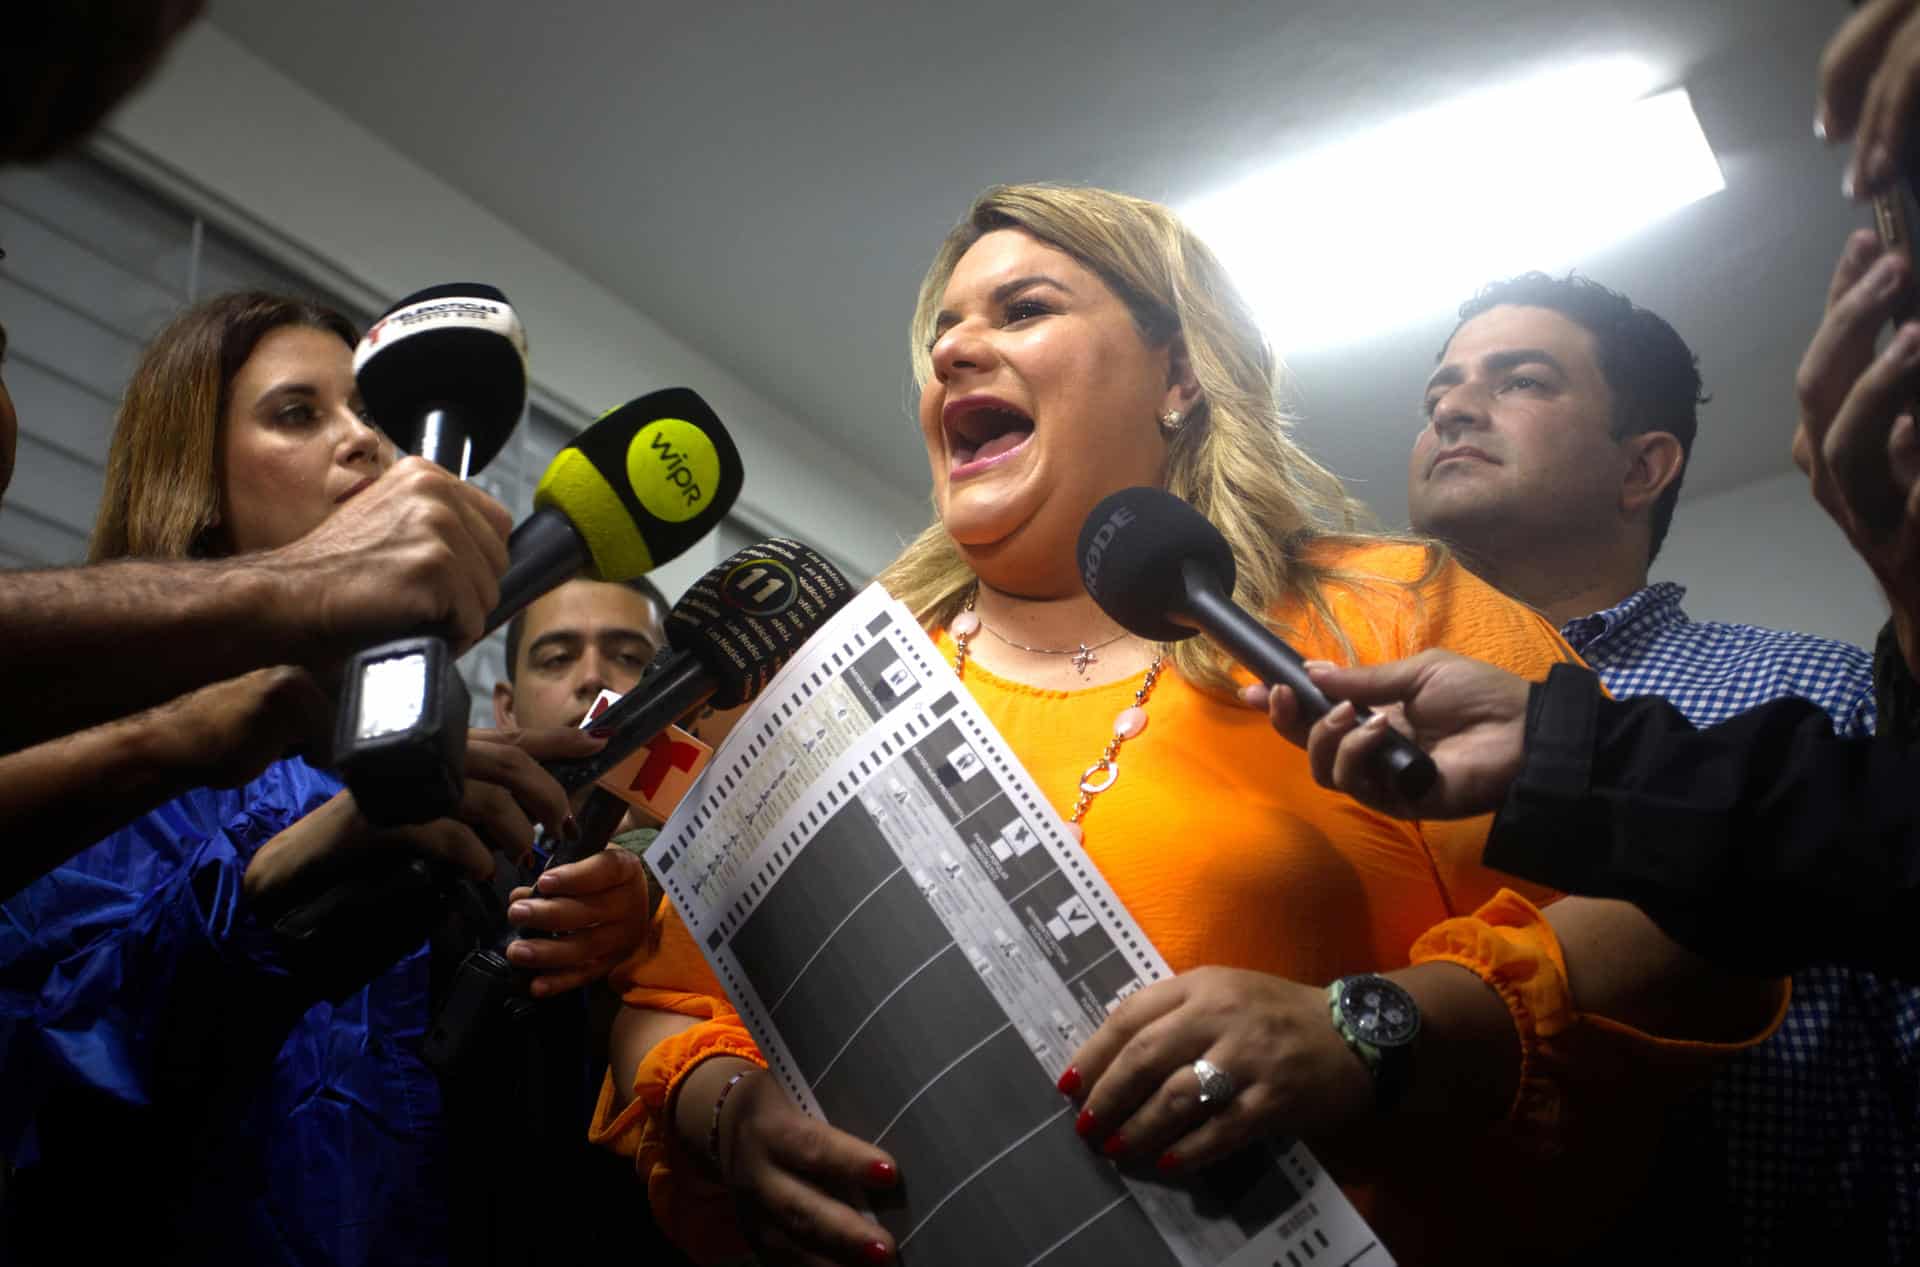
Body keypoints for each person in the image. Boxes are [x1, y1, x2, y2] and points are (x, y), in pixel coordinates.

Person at [588, 184, 1782, 1266]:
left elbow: (1679, 911)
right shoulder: (834, 686)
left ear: (1178, 375)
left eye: (1023, 308)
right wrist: (728, 1113)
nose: (955, 348)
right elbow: (673, 1001)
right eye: (943, 332)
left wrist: (1370, 1033)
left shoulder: (1382, 607)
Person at [0, 291, 654, 1266]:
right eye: (299, 414)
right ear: (199, 478)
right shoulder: (77, 757)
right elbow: (46, 1114)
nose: (366, 446)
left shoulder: (433, 766)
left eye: (375, 421)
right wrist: (274, 887)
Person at [1394, 269, 1914, 1263]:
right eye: (1440, 393)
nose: (1453, 405)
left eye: (1521, 381)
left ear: (1642, 468)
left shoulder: (1811, 694)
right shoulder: (1363, 723)